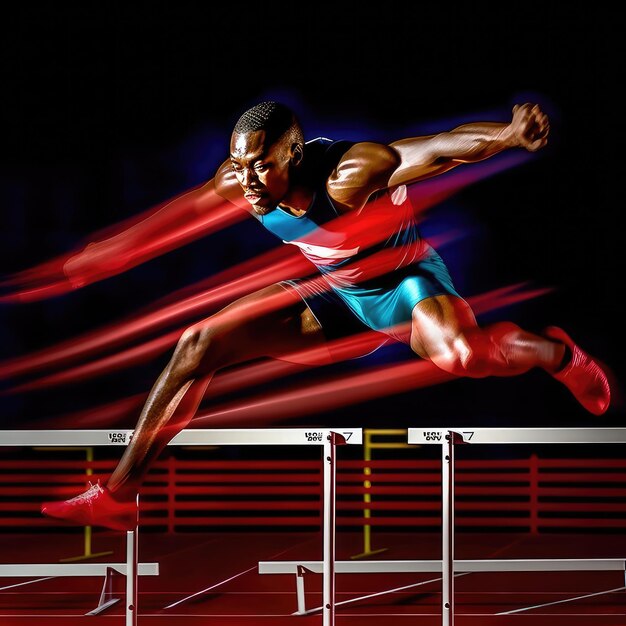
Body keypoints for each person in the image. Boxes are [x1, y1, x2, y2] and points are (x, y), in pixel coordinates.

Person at [41, 101, 611, 531]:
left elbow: (440, 148)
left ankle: (557, 352)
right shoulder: (240, 180)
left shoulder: (351, 172)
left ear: (293, 154)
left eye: (263, 166)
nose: (250, 182)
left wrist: (507, 136)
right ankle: (120, 496)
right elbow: (183, 212)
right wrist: (114, 250)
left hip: (407, 285)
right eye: (242, 165)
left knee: (462, 355)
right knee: (198, 344)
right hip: (338, 298)